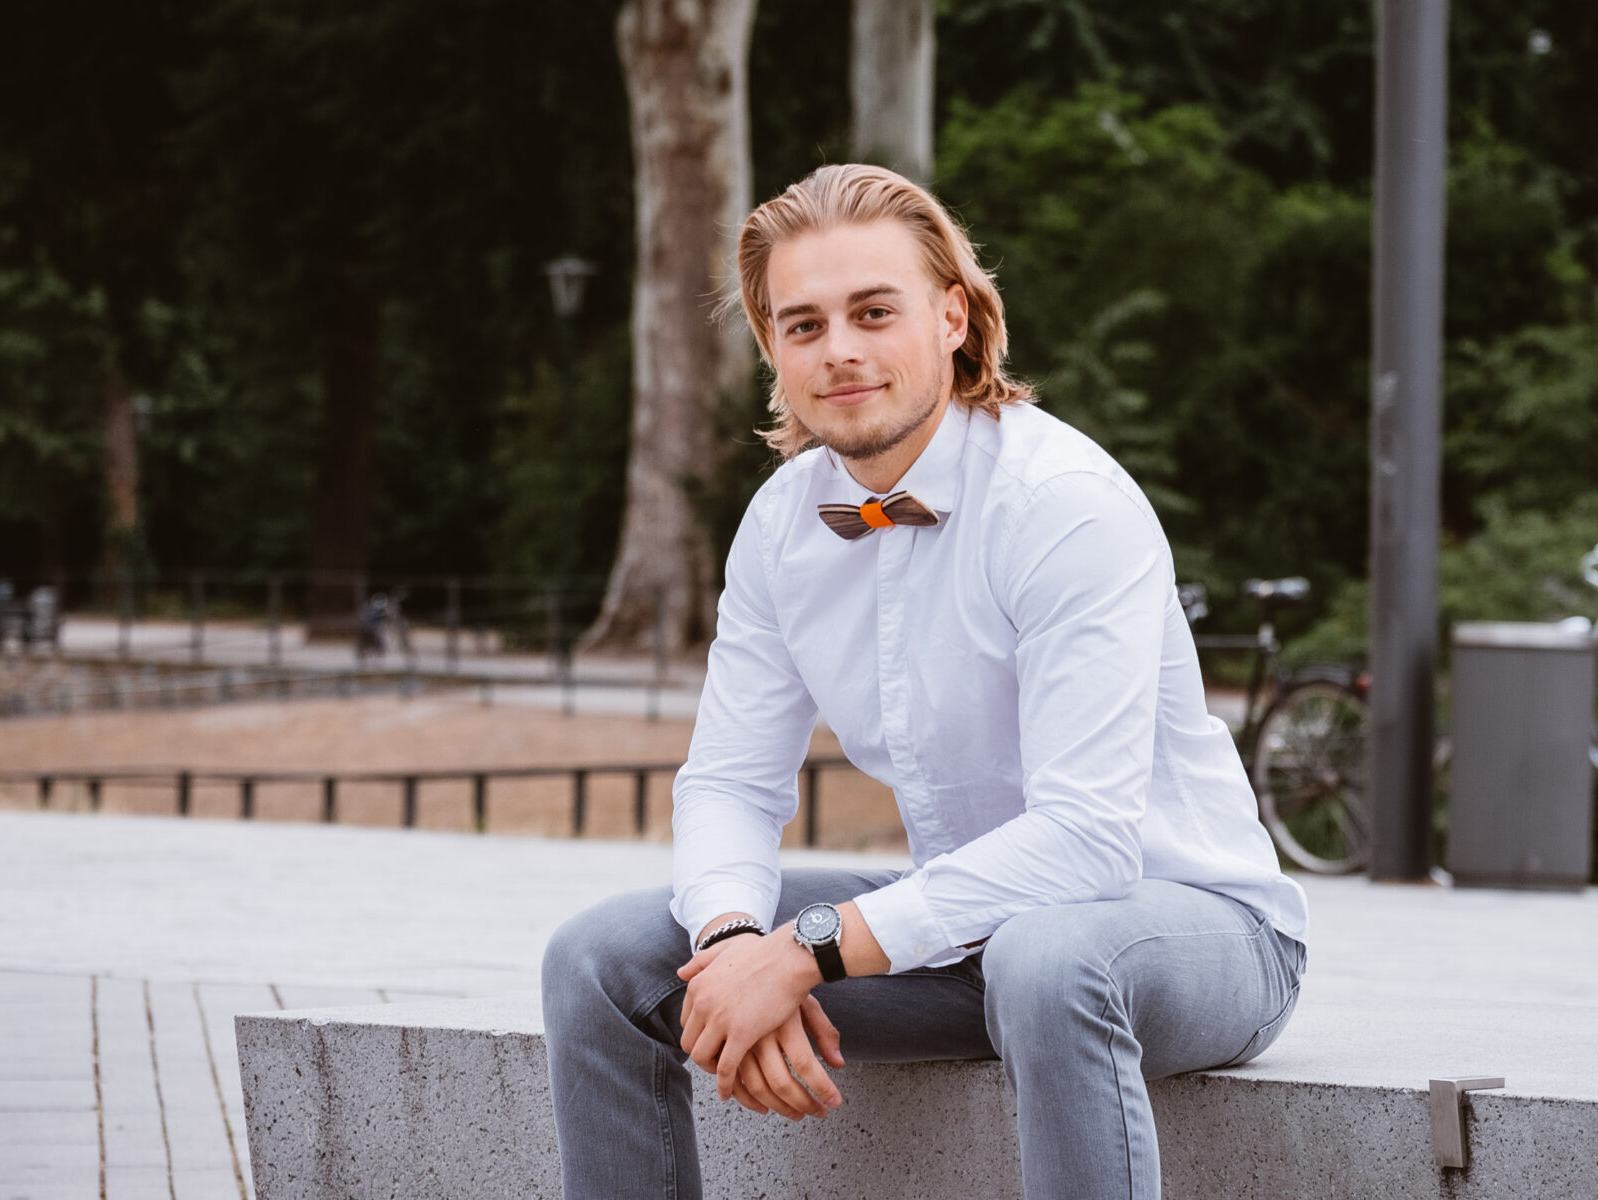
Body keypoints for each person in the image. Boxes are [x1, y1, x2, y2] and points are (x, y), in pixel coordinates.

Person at [542, 163, 1309, 1200]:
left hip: (1190, 931)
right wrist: (731, 950)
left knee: (1050, 960)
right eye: (803, 324)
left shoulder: (1063, 502)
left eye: (872, 311)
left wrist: (807, 951)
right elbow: (729, 781)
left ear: (953, 316)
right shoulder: (781, 525)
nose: (841, 349)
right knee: (600, 961)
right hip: (967, 933)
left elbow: (1087, 837)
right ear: (773, 347)